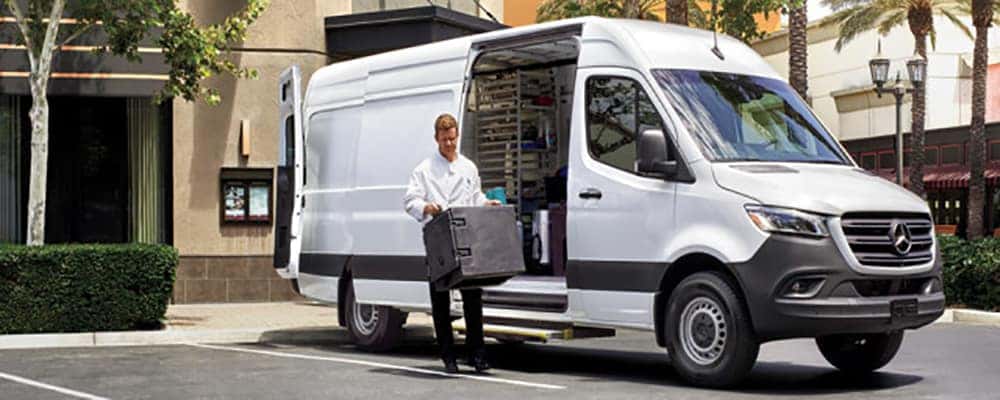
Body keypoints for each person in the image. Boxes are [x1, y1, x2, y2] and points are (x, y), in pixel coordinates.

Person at [403, 113, 500, 373]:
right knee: (441, 300)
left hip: (466, 233)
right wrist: (427, 207)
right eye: (444, 139)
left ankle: (477, 355)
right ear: (436, 138)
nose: (449, 144)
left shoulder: (469, 167)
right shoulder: (423, 170)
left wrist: (486, 203)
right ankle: (448, 356)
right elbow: (410, 201)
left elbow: (475, 195)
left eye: (452, 139)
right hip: (439, 238)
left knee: (472, 298)